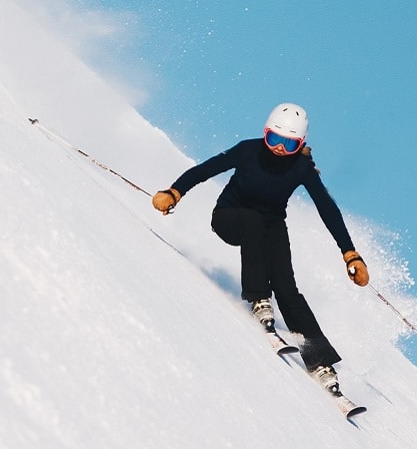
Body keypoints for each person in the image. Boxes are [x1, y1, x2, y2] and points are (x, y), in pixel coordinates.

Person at [152, 102, 369, 392]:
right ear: (265, 134)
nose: (279, 148)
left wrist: (349, 253)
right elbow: (206, 169)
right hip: (230, 217)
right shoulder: (248, 150)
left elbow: (326, 208)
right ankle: (258, 298)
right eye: (274, 139)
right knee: (254, 221)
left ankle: (319, 360)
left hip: (270, 225)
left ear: (301, 144)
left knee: (287, 286)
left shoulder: (301, 168)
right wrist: (174, 192)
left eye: (289, 144)